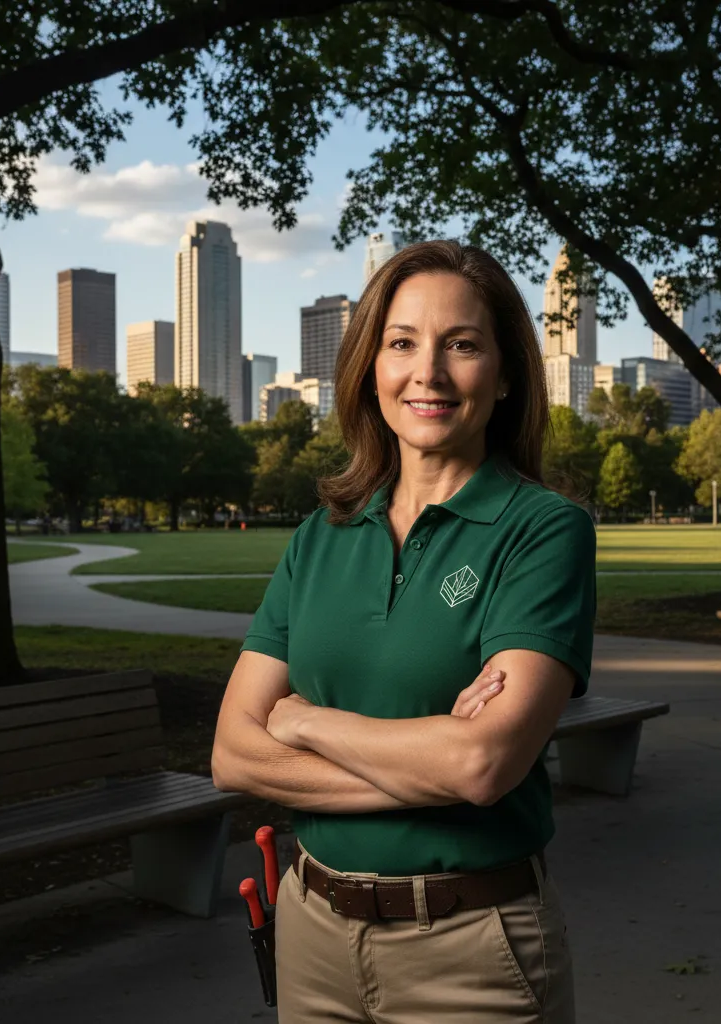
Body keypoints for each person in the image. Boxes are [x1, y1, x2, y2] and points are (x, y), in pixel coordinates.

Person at [212, 240, 596, 1022]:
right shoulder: (321, 534)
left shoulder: (544, 531)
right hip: (311, 935)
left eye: (461, 344)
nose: (429, 372)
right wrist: (432, 764)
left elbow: (484, 763)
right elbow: (231, 753)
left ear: (506, 372)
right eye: (401, 343)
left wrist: (303, 721)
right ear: (370, 370)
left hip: (470, 950)